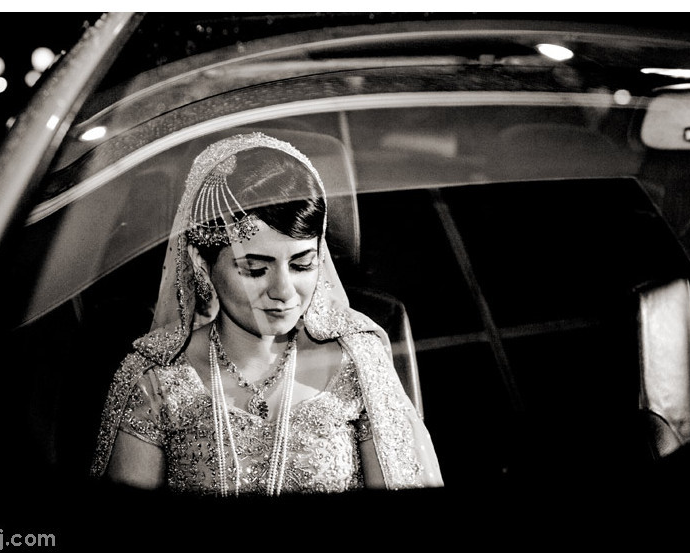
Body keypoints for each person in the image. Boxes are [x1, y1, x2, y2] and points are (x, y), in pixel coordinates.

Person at [90, 132, 443, 495]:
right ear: (202, 264)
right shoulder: (156, 378)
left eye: (302, 265)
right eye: (255, 270)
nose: (284, 291)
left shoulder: (357, 365)